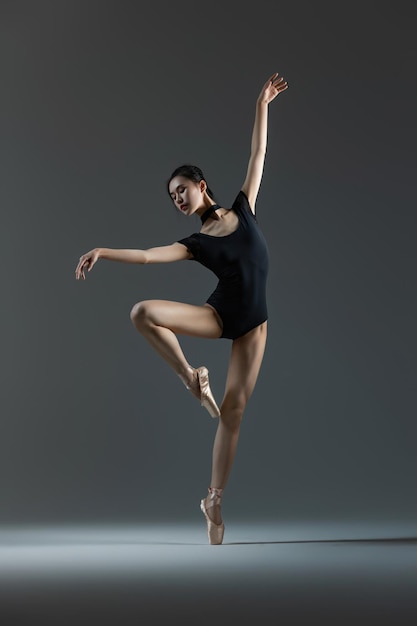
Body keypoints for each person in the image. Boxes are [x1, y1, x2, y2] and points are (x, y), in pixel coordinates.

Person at [75, 72, 288, 545]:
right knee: (141, 312)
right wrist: (104, 251)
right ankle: (192, 378)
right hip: (218, 315)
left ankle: (213, 500)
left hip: (253, 325)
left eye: (181, 190)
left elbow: (258, 154)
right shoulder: (193, 243)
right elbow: (150, 256)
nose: (177, 199)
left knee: (233, 412)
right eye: (172, 198)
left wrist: (262, 103)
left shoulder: (243, 208)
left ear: (200, 184)